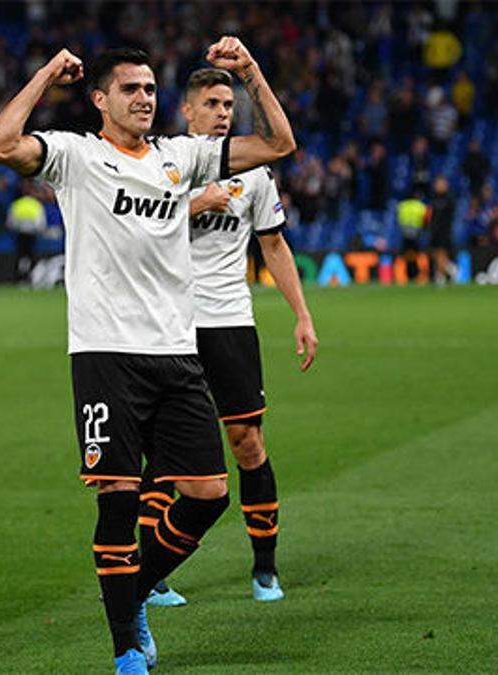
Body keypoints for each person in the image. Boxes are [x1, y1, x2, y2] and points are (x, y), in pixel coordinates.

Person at [0, 38, 296, 674]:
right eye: (131, 88)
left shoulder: (182, 157)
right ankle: (126, 644)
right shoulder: (75, 155)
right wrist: (46, 74)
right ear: (99, 100)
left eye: (151, 88)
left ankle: (131, 593)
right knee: (120, 499)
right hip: (105, 355)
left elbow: (278, 146)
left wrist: (253, 74)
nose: (146, 98)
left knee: (208, 494)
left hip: (177, 352)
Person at [141, 68, 319, 607]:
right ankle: (153, 574)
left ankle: (264, 568)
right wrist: (192, 204)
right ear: (187, 111)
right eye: (212, 103)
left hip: (230, 322)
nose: (223, 112)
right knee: (168, 454)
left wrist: (302, 315)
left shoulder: (254, 173)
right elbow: (134, 231)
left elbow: (274, 247)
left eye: (228, 103)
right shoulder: (159, 163)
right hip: (168, 323)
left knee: (247, 443)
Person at [7, 180, 47, 283]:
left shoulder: (17, 204)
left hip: (20, 234)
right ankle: (31, 277)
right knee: (31, 256)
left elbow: (11, 222)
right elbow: (41, 223)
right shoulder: (36, 205)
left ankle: (18, 278)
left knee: (20, 256)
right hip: (32, 234)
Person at [428, 176, 457, 285]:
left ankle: (444, 275)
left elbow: (448, 216)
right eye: (437, 184)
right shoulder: (434, 198)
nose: (438, 186)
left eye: (440, 184)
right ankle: (448, 270)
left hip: (444, 230)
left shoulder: (449, 199)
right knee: (435, 253)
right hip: (434, 230)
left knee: (441, 253)